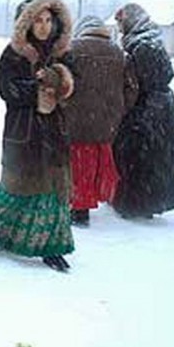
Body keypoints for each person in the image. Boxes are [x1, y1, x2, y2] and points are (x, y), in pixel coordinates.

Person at [0, 0, 75, 272]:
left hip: (54, 132)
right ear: (25, 23)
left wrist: (61, 81)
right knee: (19, 185)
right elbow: (7, 89)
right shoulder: (13, 54)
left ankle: (52, 247)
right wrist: (36, 89)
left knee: (53, 188)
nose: (43, 26)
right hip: (24, 129)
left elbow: (74, 87)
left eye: (49, 20)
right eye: (37, 20)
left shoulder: (62, 53)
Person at [112, 3, 174, 218]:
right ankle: (150, 203)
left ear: (130, 20)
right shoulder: (149, 40)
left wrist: (135, 106)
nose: (119, 28)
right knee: (154, 157)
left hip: (149, 106)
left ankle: (137, 205)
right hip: (159, 106)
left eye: (121, 22)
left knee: (139, 156)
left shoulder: (142, 44)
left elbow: (145, 80)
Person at [63, 15, 138, 226]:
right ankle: (96, 197)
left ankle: (79, 209)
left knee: (77, 164)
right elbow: (132, 89)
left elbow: (62, 82)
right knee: (96, 164)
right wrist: (119, 109)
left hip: (75, 119)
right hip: (106, 122)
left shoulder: (71, 49)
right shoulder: (120, 54)